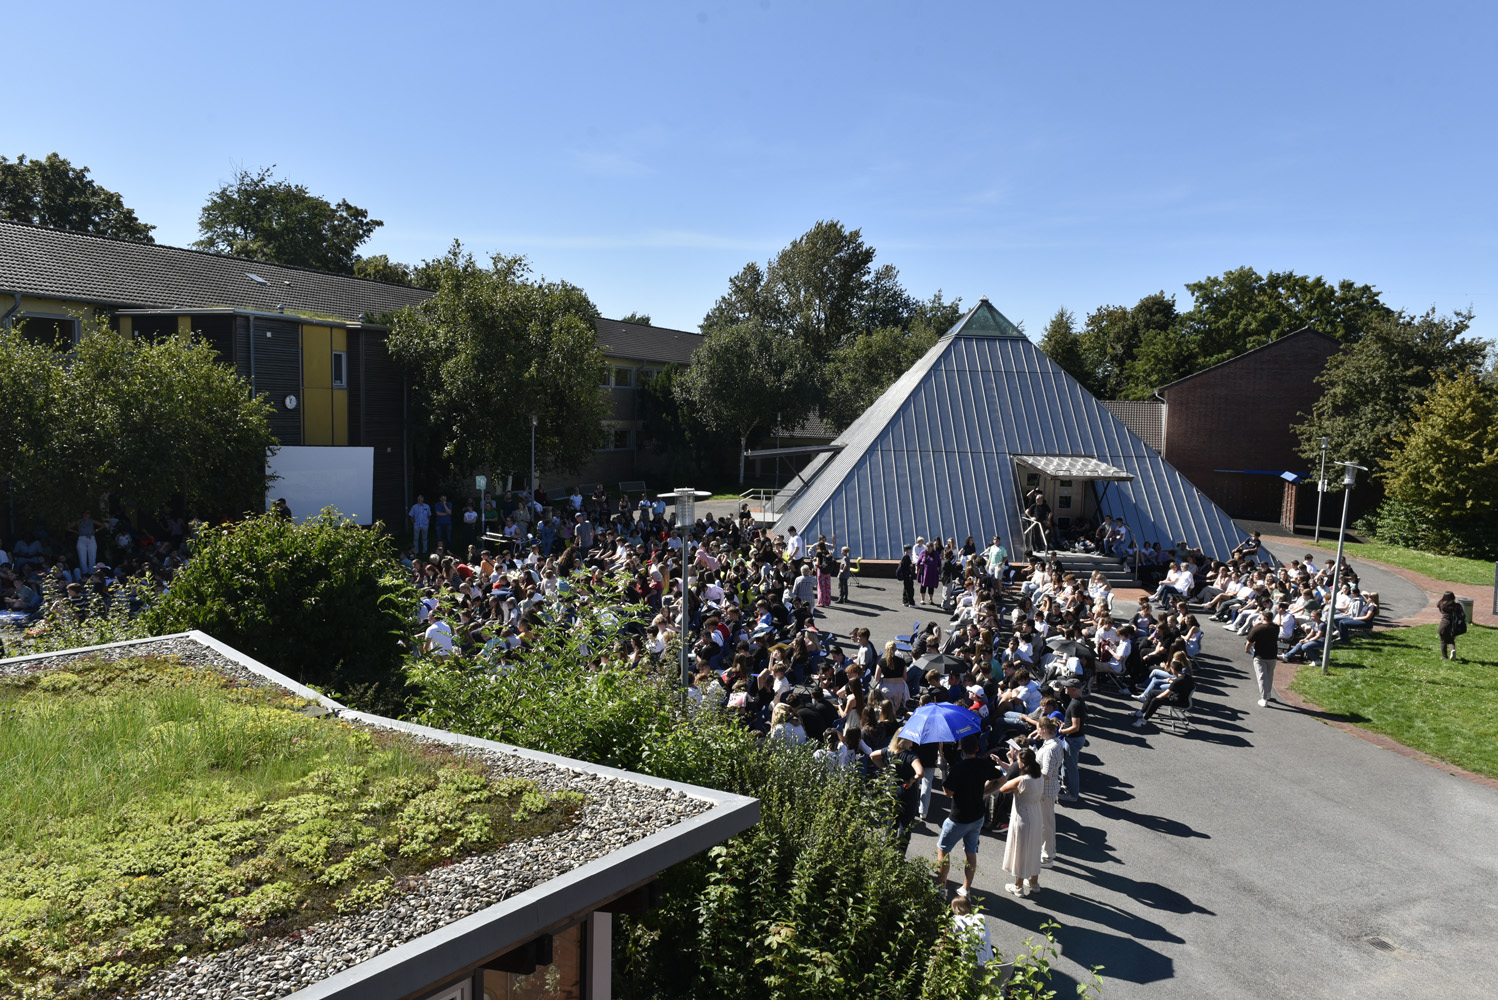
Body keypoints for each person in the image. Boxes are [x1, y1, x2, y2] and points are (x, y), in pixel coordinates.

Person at [935, 734, 1000, 899]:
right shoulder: (983, 764)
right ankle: (966, 889)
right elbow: (1002, 779)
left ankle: (941, 889)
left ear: (961, 748)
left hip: (958, 818)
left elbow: (947, 792)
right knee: (971, 853)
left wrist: (943, 770)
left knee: (943, 850)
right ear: (977, 748)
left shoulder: (958, 768)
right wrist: (986, 793)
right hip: (977, 817)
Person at [999, 746, 1044, 897]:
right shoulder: (1039, 776)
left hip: (1023, 817)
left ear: (1023, 763)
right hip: (1036, 815)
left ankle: (1018, 886)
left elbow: (1003, 788)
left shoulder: (1022, 780)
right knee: (1034, 849)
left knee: (1021, 851)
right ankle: (1034, 882)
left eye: (1018, 760)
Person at [1033, 717, 1064, 866]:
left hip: (1045, 791)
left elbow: (1046, 774)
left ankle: (1047, 857)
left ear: (1044, 729)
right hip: (1048, 790)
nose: (1037, 731)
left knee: (1046, 825)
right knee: (1046, 823)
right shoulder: (1055, 742)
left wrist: (1029, 768)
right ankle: (1047, 852)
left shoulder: (1051, 748)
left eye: (1038, 728)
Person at [1058, 678, 1086, 802]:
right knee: (1066, 764)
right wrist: (1065, 724)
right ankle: (1067, 786)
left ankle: (1073, 795)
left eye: (1067, 686)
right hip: (1074, 739)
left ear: (1074, 689)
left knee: (1072, 768)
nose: (1065, 688)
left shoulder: (1075, 704)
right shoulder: (1076, 701)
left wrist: (1062, 731)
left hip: (1073, 740)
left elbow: (1075, 727)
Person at [1437, 591, 1466, 661]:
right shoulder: (1457, 606)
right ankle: (1452, 650)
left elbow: (1440, 610)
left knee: (1443, 640)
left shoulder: (1442, 604)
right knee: (1451, 639)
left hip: (1444, 624)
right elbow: (1463, 615)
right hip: (1453, 625)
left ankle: (1444, 656)